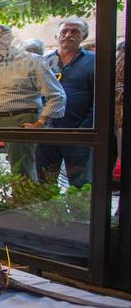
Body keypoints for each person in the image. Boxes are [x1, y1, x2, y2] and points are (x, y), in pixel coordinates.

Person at [0, 24, 65, 181]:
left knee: (21, 171)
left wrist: (40, 123)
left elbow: (57, 96)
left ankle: (24, 204)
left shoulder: (32, 61)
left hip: (20, 120)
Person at [37, 19, 95, 187]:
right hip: (46, 135)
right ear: (57, 36)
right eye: (64, 31)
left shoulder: (94, 62)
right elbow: (34, 96)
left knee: (80, 186)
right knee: (44, 184)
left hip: (78, 135)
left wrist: (84, 130)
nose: (68, 35)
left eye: (74, 31)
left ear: (84, 36)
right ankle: (48, 214)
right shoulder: (44, 62)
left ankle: (78, 215)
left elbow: (99, 100)